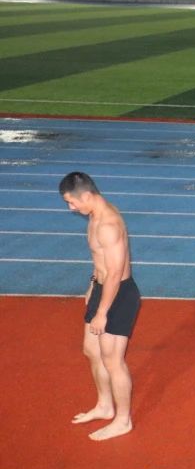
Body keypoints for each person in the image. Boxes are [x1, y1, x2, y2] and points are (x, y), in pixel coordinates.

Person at [60, 171, 141, 441]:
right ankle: (105, 405)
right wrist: (92, 284)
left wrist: (102, 312)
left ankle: (123, 420)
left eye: (72, 202)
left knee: (112, 360)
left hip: (118, 295)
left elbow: (116, 272)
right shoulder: (94, 215)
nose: (71, 208)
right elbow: (102, 263)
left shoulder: (108, 224)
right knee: (91, 350)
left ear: (86, 195)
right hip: (101, 289)